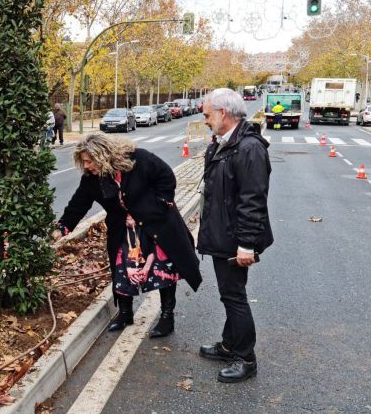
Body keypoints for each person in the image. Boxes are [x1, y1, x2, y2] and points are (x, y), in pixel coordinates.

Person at [52, 133, 202, 335]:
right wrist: (62, 227)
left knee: (162, 270)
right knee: (121, 270)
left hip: (154, 223)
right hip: (122, 229)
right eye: (83, 162)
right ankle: (125, 313)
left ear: (103, 156)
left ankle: (167, 317)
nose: (86, 166)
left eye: (89, 160)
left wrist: (161, 204)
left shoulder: (139, 159)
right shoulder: (92, 179)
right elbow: (78, 204)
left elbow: (166, 176)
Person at [198, 88, 274, 383]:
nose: (204, 120)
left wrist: (246, 245)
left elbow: (252, 200)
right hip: (223, 234)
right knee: (228, 294)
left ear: (223, 113)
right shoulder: (223, 144)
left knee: (234, 296)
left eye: (207, 115)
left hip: (235, 239)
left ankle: (246, 357)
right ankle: (230, 344)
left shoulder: (249, 148)